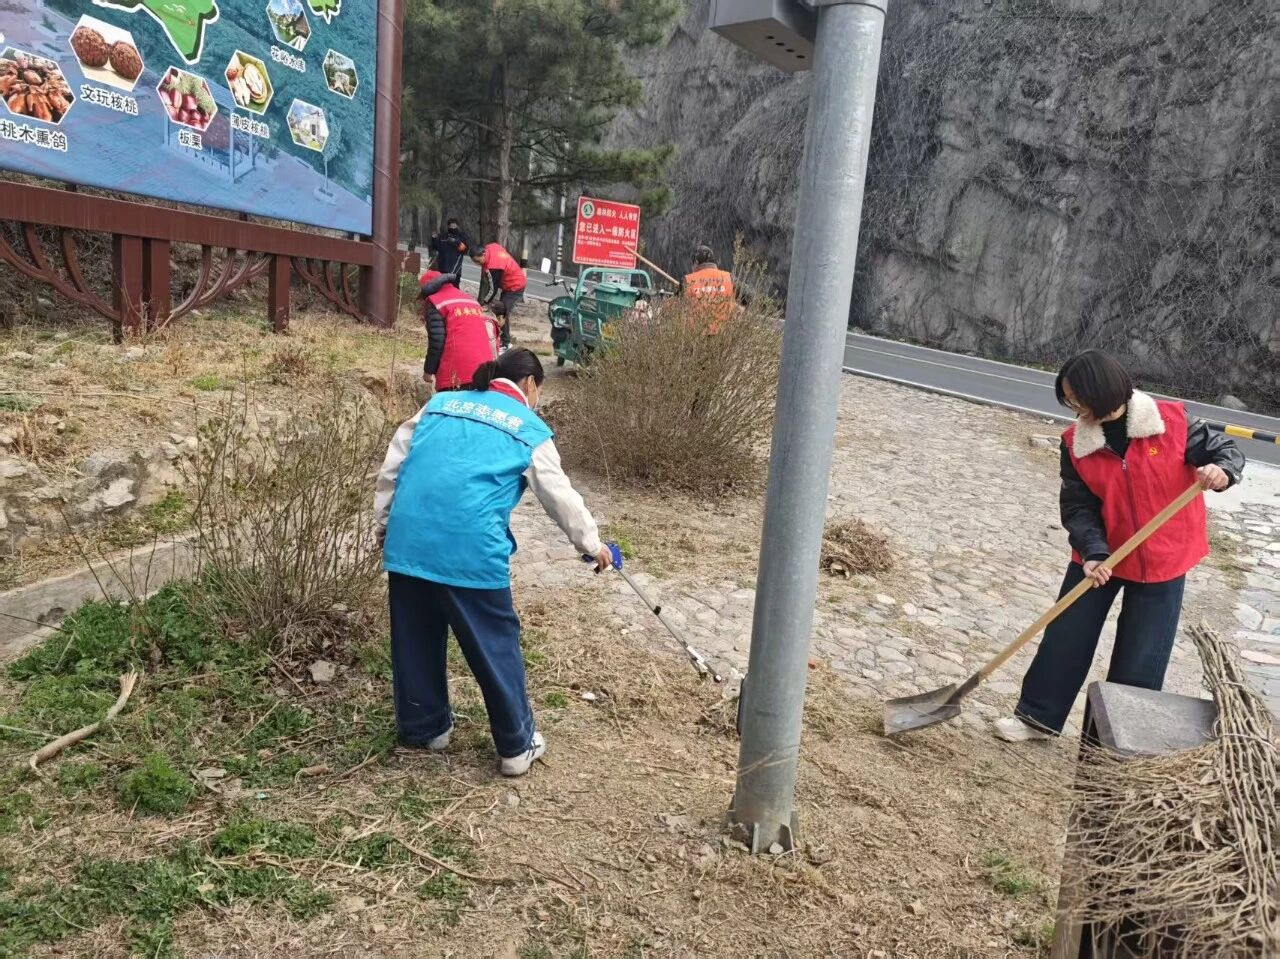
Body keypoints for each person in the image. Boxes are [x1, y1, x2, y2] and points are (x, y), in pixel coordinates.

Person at [374, 349, 614, 775]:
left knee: (415, 634)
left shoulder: (440, 403)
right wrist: (592, 544)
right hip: (470, 551)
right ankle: (516, 745)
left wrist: (383, 526)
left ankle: (424, 728)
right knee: (494, 643)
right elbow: (559, 496)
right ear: (530, 385)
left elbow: (395, 464)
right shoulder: (529, 428)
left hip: (409, 538)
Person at [994, 350, 1245, 743]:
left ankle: (1117, 742)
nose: (1075, 409)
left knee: (1142, 654)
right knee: (1067, 635)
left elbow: (1225, 451)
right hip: (1102, 554)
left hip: (1164, 556)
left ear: (1105, 391)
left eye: (1078, 399)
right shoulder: (1076, 443)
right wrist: (1093, 552)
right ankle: (1037, 719)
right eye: (1069, 401)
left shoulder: (1172, 422)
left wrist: (1222, 470)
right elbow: (1078, 506)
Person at [419, 267, 499, 391]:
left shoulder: (435, 301)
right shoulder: (470, 300)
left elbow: (437, 341)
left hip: (457, 372)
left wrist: (428, 370)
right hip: (485, 370)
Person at [470, 242, 527, 349]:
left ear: (483, 254)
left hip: (515, 285)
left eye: (478, 261)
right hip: (508, 284)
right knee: (500, 310)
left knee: (502, 312)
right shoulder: (491, 247)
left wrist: (484, 303)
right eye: (475, 262)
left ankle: (506, 343)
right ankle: (502, 339)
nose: (478, 264)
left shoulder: (494, 266)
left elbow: (493, 289)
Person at [682, 244, 735, 334]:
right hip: (726, 336)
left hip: (698, 337)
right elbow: (751, 298)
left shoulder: (688, 280)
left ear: (696, 263)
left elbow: (675, 306)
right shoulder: (729, 278)